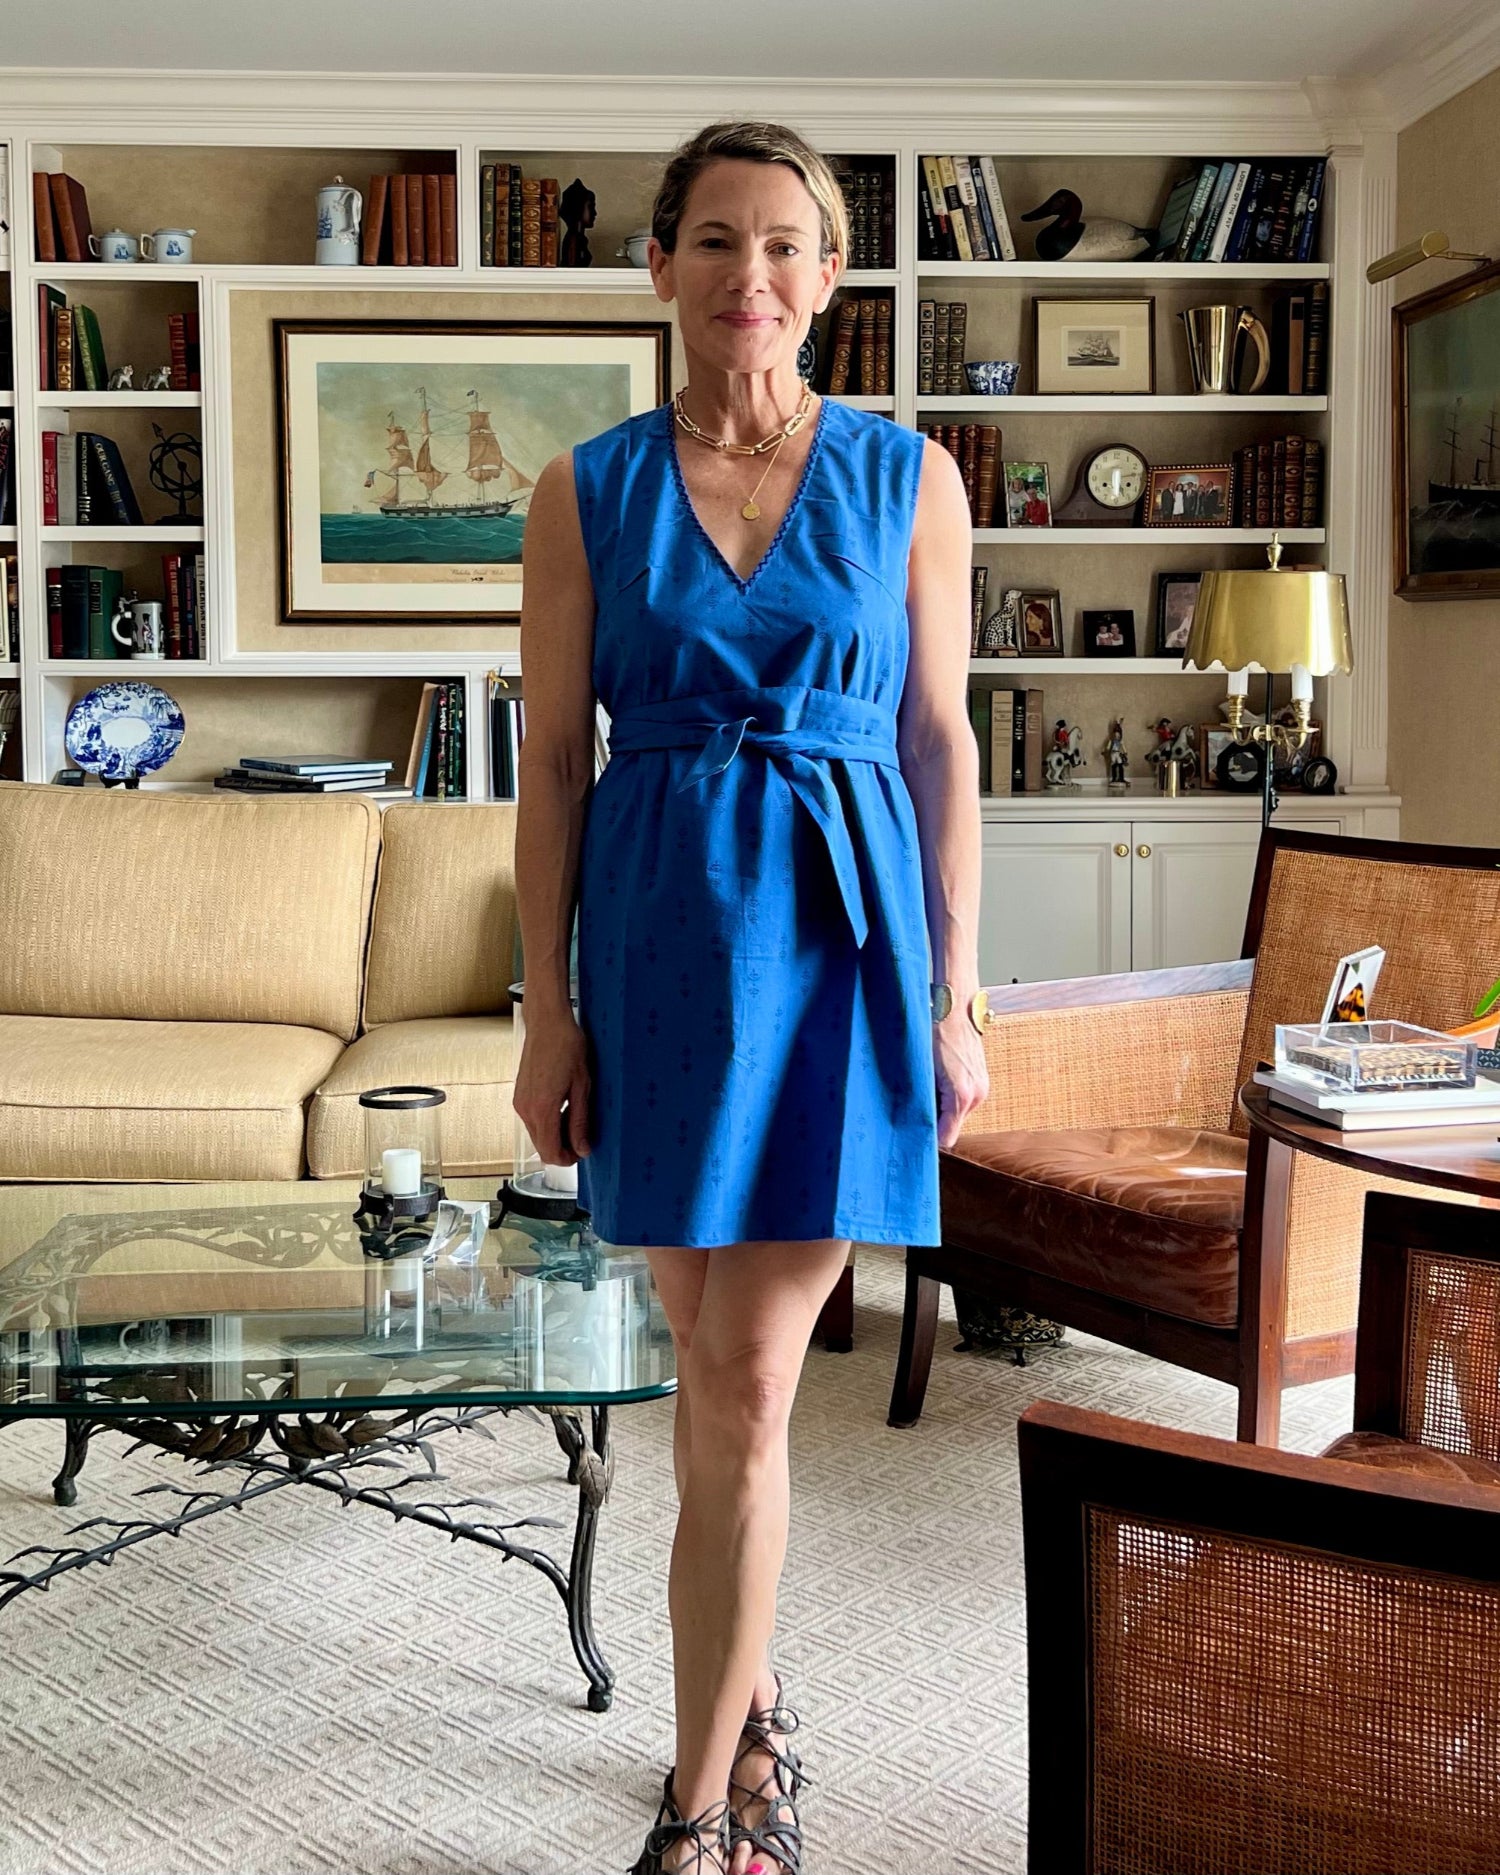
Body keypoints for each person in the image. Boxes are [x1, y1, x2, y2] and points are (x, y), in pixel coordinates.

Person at [512, 119, 989, 1875]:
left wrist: (956, 1000)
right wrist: (541, 1010)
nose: (750, 277)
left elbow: (940, 747)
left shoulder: (908, 478)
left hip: (844, 943)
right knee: (703, 1363)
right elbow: (554, 762)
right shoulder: (586, 488)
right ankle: (756, 1697)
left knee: (750, 1383)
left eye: (784, 245)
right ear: (660, 267)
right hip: (657, 942)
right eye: (714, 241)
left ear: (832, 277)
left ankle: (699, 1805)